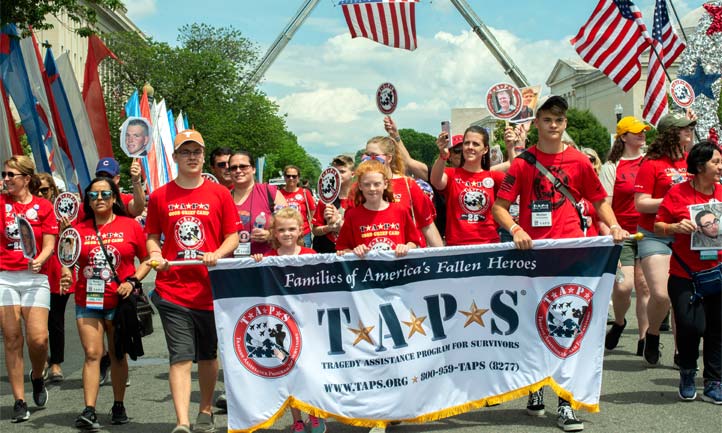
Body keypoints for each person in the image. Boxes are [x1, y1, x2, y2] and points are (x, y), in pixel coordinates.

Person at [492, 95, 629, 432]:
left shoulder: (580, 161)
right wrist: (515, 228)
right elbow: (499, 206)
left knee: (569, 326)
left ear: (565, 124)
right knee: (535, 323)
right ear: (537, 123)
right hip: (534, 255)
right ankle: (536, 387)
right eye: (547, 120)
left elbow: (599, 200)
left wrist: (612, 225)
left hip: (572, 254)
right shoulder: (523, 163)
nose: (553, 126)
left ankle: (566, 402)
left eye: (559, 120)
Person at [145, 129, 240, 433]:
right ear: (175, 158)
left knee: (207, 355)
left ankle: (206, 409)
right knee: (181, 356)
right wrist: (155, 254)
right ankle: (182, 421)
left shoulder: (220, 194)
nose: (191, 157)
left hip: (210, 290)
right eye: (185, 152)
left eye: (196, 152)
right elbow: (152, 237)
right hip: (172, 289)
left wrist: (217, 253)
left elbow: (233, 236)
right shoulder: (161, 195)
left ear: (203, 156)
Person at [59, 177, 150, 429]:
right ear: (87, 200)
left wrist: (132, 281)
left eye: (105, 194)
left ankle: (118, 404)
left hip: (119, 301)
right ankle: (89, 409)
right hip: (87, 299)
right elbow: (67, 260)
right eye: (93, 195)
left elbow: (147, 259)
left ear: (114, 198)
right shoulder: (78, 229)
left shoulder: (130, 226)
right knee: (92, 354)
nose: (99, 199)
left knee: (118, 354)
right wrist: (66, 273)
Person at [654, 140, 722, 404]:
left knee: (717, 328)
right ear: (699, 165)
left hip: (717, 271)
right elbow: (658, 226)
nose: (719, 166)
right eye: (715, 162)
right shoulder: (677, 193)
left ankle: (714, 381)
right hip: (685, 275)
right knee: (690, 326)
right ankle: (687, 371)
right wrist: (674, 227)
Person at [251, 207, 326, 433]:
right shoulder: (267, 259)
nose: (287, 234)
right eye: (281, 230)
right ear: (274, 233)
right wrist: (255, 262)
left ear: (301, 230)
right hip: (279, 328)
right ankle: (297, 419)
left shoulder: (311, 255)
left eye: (292, 229)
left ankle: (315, 414)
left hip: (309, 323)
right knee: (289, 372)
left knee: (311, 371)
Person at [634, 112, 696, 367]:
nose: (689, 131)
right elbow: (641, 203)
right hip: (655, 234)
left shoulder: (692, 161)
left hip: (686, 236)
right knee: (661, 295)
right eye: (684, 129)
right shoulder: (651, 164)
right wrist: (673, 200)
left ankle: (682, 351)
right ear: (672, 133)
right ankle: (652, 334)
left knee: (684, 297)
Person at [1, 155, 58, 423]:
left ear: (26, 178)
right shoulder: (1, 204)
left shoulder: (43, 206)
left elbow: (49, 243)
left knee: (39, 339)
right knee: (12, 339)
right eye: (4, 175)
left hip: (36, 278)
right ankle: (19, 400)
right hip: (6, 277)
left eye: (11, 175)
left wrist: (41, 259)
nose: (6, 180)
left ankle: (37, 375)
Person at [599, 116, 651, 354]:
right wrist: (611, 229)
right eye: (636, 131)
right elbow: (605, 205)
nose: (642, 134)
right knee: (622, 286)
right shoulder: (612, 167)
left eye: (643, 131)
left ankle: (645, 338)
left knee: (645, 287)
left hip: (650, 232)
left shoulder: (650, 161)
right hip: (623, 233)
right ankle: (619, 322)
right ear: (623, 136)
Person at [361, 136, 442, 248]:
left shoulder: (408, 185)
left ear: (389, 158)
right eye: (367, 155)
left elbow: (428, 226)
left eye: (374, 155)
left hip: (409, 255)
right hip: (373, 256)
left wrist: (442, 258)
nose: (369, 159)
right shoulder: (359, 187)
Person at [430, 125, 506, 245]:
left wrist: (513, 147)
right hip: (457, 247)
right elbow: (435, 181)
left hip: (489, 245)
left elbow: (518, 175)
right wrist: (443, 156)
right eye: (466, 143)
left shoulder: (494, 177)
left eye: (475, 144)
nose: (470, 147)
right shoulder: (451, 174)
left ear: (485, 149)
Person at [336, 160, 421, 258]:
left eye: (377, 184)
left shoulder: (400, 211)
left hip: (397, 270)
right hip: (367, 271)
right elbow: (342, 249)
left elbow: (414, 242)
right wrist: (354, 251)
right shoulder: (352, 215)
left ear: (385, 184)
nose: (372, 188)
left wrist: (406, 247)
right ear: (360, 186)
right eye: (367, 184)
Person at [35, 173, 72, 383]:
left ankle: (56, 362)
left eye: (44, 190)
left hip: (58, 270)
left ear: (53, 191)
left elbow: (72, 246)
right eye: (36, 190)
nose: (40, 194)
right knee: (38, 321)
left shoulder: (63, 214)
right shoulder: (29, 212)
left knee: (55, 318)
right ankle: (42, 357)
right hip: (35, 271)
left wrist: (67, 232)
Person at [228, 151, 287, 256]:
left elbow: (290, 225)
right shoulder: (224, 197)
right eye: (233, 168)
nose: (238, 170)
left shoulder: (270, 192)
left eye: (243, 166)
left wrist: (270, 235)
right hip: (233, 264)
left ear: (253, 169)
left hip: (267, 262)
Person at [311, 155, 355, 253]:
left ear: (352, 174)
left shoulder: (359, 199)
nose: (338, 175)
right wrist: (330, 227)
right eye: (335, 171)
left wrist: (342, 227)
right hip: (327, 252)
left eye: (342, 172)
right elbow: (315, 231)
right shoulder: (326, 199)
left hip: (350, 252)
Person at [280, 165, 316, 248]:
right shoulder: (278, 193)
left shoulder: (305, 192)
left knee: (304, 259)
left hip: (303, 234)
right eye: (288, 176)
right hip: (285, 233)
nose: (291, 178)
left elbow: (312, 213)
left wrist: (308, 227)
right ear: (284, 177)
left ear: (298, 178)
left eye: (294, 176)